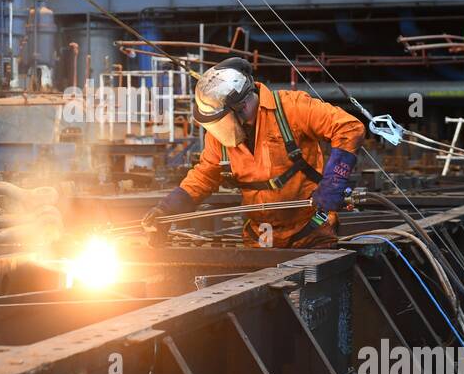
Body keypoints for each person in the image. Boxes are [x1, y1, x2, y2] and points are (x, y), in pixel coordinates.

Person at [142, 58, 365, 248]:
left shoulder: (292, 108)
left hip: (311, 233)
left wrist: (334, 181)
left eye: (220, 120)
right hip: (261, 238)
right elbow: (205, 175)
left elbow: (348, 127)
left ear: (241, 107)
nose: (217, 128)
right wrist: (168, 209)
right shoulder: (221, 136)